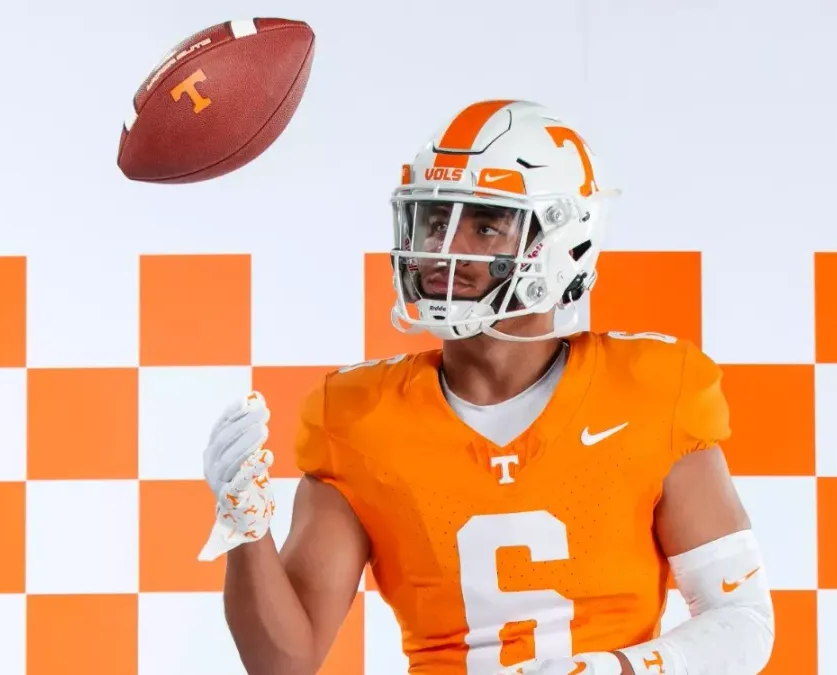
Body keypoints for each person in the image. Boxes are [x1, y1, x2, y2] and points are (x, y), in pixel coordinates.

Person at [198, 99, 775, 675]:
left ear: (560, 240)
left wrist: (616, 670)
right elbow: (283, 665)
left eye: (485, 224)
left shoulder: (651, 389)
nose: (446, 250)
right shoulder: (355, 417)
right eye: (434, 220)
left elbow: (742, 621)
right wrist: (247, 527)